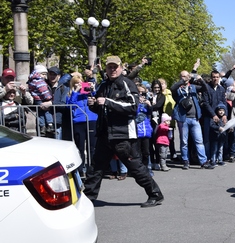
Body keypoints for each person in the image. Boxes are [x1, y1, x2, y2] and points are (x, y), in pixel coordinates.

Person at [83, 55, 164, 207]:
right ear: (106, 69)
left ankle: (155, 194)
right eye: (109, 67)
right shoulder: (104, 85)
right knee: (95, 169)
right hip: (105, 133)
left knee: (136, 168)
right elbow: (100, 108)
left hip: (123, 135)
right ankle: (87, 200)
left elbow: (133, 108)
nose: (112, 69)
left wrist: (108, 101)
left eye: (115, 67)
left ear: (120, 68)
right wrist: (93, 104)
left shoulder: (127, 84)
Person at [171, 70, 214, 169]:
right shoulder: (177, 90)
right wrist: (182, 81)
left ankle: (203, 162)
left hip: (195, 119)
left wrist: (201, 80)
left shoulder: (193, 87)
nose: (186, 78)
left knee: (199, 141)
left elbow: (205, 89)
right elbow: (172, 88)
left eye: (187, 76)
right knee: (184, 141)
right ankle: (185, 161)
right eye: (183, 76)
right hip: (183, 119)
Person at [66, 73, 98, 176]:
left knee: (92, 147)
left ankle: (92, 170)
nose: (79, 85)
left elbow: (97, 99)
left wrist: (92, 89)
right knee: (80, 147)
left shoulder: (87, 93)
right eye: (76, 83)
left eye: (80, 83)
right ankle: (80, 170)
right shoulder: (71, 94)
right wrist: (75, 91)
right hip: (79, 121)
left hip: (91, 120)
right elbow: (70, 106)